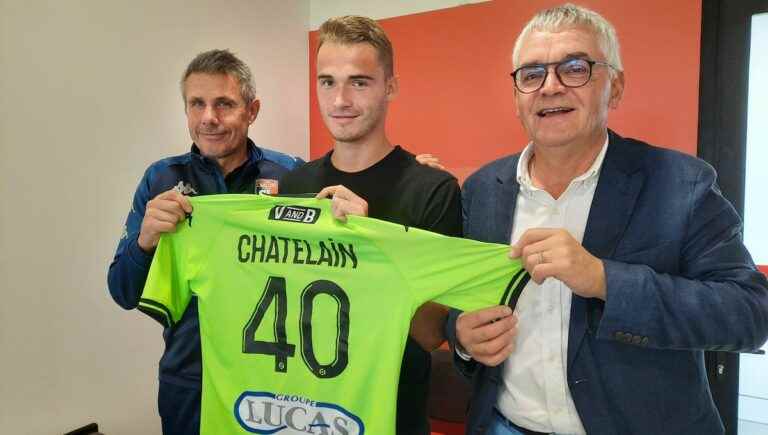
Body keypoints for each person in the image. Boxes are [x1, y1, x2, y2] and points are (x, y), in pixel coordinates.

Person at [446, 4, 768, 435]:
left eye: (575, 68)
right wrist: (462, 337)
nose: (551, 87)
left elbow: (749, 314)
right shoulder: (483, 188)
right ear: (517, 98)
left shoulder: (681, 183)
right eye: (532, 74)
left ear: (615, 87)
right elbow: (458, 297)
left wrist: (604, 280)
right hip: (504, 424)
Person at [279, 15, 462, 435]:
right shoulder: (295, 184)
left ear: (390, 87)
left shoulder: (433, 190)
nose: (340, 99)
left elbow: (431, 332)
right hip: (300, 410)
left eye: (359, 82)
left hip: (390, 416)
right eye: (327, 81)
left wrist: (369, 244)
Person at [107, 49, 304, 435]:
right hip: (189, 383)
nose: (209, 118)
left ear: (252, 110)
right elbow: (122, 292)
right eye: (197, 104)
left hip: (273, 384)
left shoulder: (292, 176)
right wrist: (145, 240)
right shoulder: (161, 180)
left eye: (224, 104)